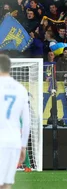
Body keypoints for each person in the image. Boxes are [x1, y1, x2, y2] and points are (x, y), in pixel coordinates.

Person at [0, 55, 30, 189]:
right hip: (13, 142)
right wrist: (23, 146)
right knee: (7, 184)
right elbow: (27, 121)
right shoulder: (21, 89)